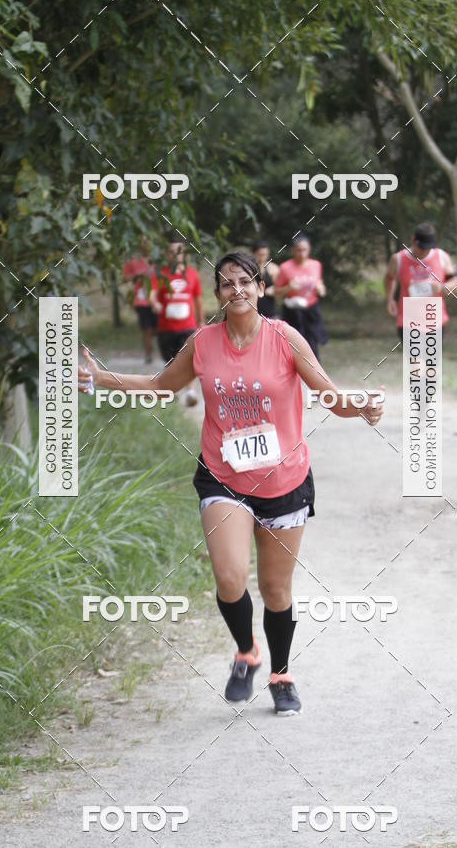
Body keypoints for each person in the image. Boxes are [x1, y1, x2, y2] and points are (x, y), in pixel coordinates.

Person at [79, 251, 384, 715]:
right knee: (229, 576)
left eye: (245, 281)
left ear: (261, 287)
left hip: (285, 479)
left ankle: (281, 674)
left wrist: (359, 404)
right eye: (226, 283)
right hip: (224, 478)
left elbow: (327, 393)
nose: (236, 289)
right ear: (218, 293)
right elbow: (162, 385)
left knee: (277, 590)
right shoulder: (203, 342)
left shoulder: (285, 338)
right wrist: (101, 377)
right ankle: (247, 652)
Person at [149, 236, 204, 407]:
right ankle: (173, 390)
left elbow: (197, 300)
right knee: (171, 362)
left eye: (178, 252)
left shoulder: (191, 274)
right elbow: (152, 294)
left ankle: (190, 392)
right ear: (166, 254)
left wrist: (201, 320)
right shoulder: (161, 274)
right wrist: (155, 303)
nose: (175, 255)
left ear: (183, 253)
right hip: (166, 328)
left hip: (187, 326)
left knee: (188, 360)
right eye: (171, 252)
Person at [384, 222, 457, 342]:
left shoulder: (442, 257)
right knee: (415, 361)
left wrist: (440, 287)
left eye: (427, 248)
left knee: (430, 361)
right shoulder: (398, 259)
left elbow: (455, 284)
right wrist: (390, 299)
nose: (424, 252)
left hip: (434, 321)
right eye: (421, 248)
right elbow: (389, 278)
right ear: (413, 240)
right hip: (408, 322)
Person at [274, 233, 328, 359]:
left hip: (311, 308)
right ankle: (296, 370)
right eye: (298, 250)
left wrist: (321, 289)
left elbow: (319, 283)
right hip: (293, 310)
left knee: (313, 342)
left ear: (309, 249)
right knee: (295, 343)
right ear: (292, 250)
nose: (302, 253)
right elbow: (276, 291)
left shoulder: (316, 265)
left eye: (305, 250)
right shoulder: (285, 267)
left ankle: (314, 371)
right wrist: (288, 288)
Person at [122, 237, 157, 363]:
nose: (145, 246)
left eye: (147, 242)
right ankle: (148, 355)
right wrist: (137, 276)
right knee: (146, 330)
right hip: (141, 300)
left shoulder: (157, 260)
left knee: (157, 330)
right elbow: (125, 278)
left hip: (157, 299)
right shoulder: (133, 261)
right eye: (142, 243)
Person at [252, 240, 279, 318]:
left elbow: (280, 289)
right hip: (253, 310)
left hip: (270, 311)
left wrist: (274, 290)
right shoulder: (247, 269)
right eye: (260, 254)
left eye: (265, 254)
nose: (263, 257)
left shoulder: (273, 269)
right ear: (254, 254)